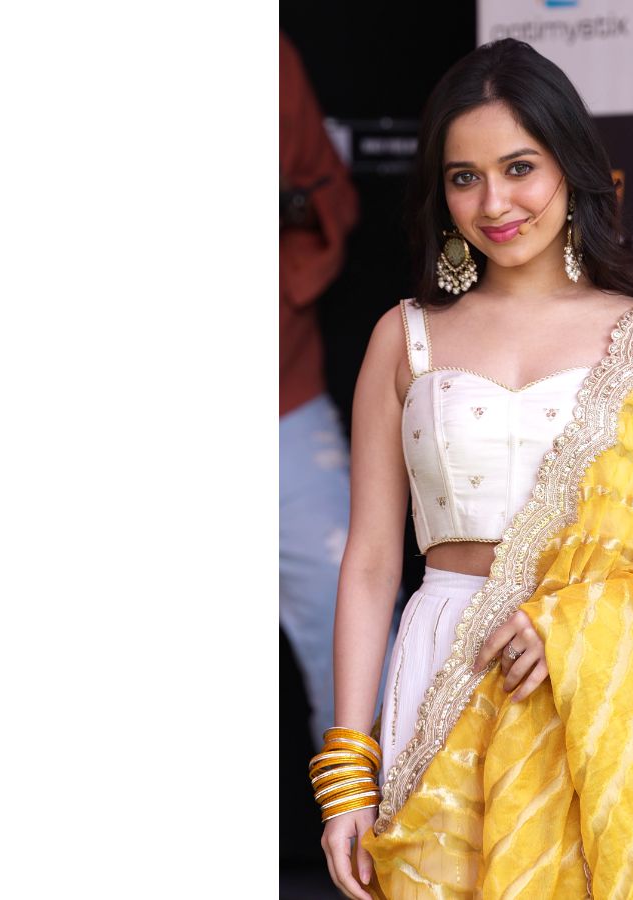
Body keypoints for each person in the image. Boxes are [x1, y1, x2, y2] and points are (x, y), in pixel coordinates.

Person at [309, 39, 633, 899]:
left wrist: (574, 626)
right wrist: (347, 772)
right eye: (464, 177)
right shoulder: (404, 337)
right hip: (443, 665)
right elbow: (372, 561)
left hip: (585, 688)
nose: (495, 203)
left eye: (519, 167)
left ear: (570, 165)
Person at [279, 30, 360, 751]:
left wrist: (283, 205)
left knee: (355, 630)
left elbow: (325, 193)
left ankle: (373, 812)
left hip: (282, 398)